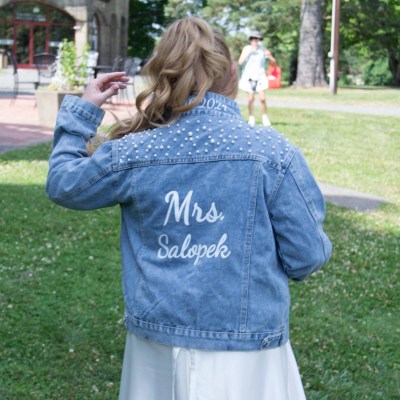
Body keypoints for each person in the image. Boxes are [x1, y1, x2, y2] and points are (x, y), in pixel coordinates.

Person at [46, 17, 331, 400]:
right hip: (248, 352)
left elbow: (65, 184)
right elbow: (307, 255)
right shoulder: (272, 152)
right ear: (231, 73)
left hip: (156, 349)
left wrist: (82, 112)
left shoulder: (134, 151)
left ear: (162, 76)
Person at [238, 31, 276, 127]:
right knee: (251, 99)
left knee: (262, 98)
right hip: (249, 77)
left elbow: (273, 62)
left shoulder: (263, 49)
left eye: (257, 39)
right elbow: (240, 62)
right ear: (250, 40)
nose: (255, 41)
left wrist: (269, 55)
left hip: (260, 76)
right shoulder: (247, 49)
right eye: (253, 39)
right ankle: (251, 118)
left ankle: (265, 117)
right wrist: (249, 53)